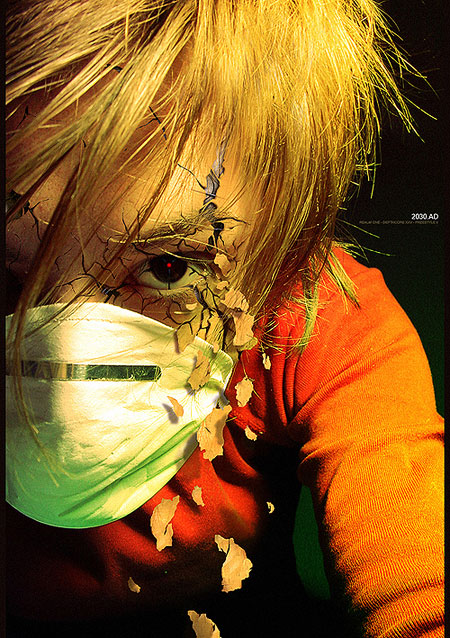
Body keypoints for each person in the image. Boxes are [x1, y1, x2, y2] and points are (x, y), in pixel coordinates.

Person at [5, 1, 443, 636]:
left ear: (282, 235)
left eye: (169, 267)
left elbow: (417, 582)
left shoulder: (313, 317)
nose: (68, 355)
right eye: (13, 262)